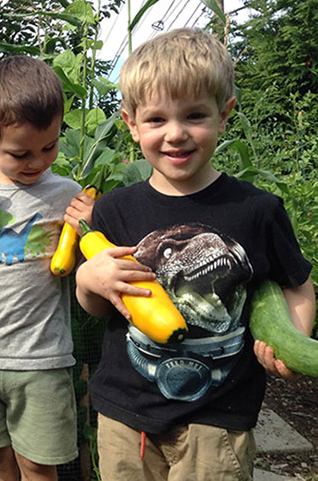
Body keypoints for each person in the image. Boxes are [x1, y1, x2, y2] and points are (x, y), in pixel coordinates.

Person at [74, 28, 316, 481]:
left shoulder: (256, 210)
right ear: (130, 123)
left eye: (195, 116)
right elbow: (95, 305)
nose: (176, 134)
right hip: (126, 413)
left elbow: (296, 282)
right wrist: (89, 281)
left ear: (224, 115)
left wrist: (291, 342)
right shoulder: (114, 208)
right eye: (156, 120)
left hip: (218, 416)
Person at [0, 55, 94, 481]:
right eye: (20, 153)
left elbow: (78, 268)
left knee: (39, 464)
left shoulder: (67, 193)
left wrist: (87, 227)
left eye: (50, 147)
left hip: (43, 357)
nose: (37, 162)